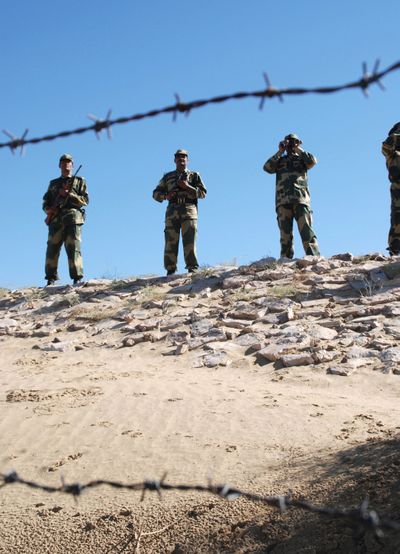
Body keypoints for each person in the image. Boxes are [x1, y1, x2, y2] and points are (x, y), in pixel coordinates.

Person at [263, 133, 320, 259]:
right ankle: (286, 260)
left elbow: (313, 161)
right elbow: (267, 168)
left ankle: (314, 257)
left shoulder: (302, 159)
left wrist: (298, 149)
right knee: (285, 235)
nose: (290, 144)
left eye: (293, 141)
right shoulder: (280, 161)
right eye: (289, 142)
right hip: (283, 201)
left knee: (306, 231)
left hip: (301, 199)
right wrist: (280, 152)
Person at [153, 149, 207, 275]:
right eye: (178, 157)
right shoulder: (167, 177)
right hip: (172, 212)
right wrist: (166, 196)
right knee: (170, 241)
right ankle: (170, 270)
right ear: (174, 160)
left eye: (184, 156)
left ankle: (192, 269)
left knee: (190, 240)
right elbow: (155, 194)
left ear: (188, 160)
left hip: (189, 211)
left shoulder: (194, 175)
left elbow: (203, 193)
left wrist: (187, 187)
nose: (181, 159)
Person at [42, 153, 89, 286]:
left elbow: (85, 201)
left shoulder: (79, 181)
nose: (66, 164)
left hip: (73, 218)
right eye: (63, 162)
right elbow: (45, 202)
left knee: (74, 248)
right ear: (59, 165)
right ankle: (50, 278)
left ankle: (77, 278)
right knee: (52, 248)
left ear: (72, 165)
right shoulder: (53, 184)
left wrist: (70, 194)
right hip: (56, 219)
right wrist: (49, 211)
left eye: (68, 162)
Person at [382, 122, 400, 256]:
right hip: (398, 188)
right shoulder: (391, 152)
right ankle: (394, 251)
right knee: (397, 219)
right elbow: (387, 144)